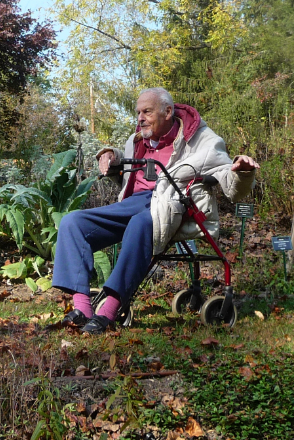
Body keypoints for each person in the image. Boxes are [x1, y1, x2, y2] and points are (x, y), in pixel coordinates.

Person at [52, 87, 258, 334]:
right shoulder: (136, 140)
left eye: (147, 111)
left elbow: (230, 182)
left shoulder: (204, 140)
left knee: (141, 223)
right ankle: (83, 310)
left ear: (168, 111)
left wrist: (243, 171)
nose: (140, 118)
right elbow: (126, 170)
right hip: (133, 202)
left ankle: (108, 312)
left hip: (171, 205)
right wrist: (112, 156)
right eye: (138, 112)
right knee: (72, 222)